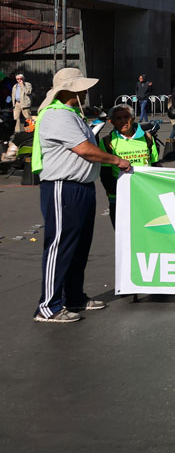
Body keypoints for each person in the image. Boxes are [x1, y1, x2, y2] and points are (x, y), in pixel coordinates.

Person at [32, 67, 132, 323]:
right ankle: (48, 306)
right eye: (81, 88)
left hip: (81, 186)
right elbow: (84, 149)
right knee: (61, 245)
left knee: (78, 247)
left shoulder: (71, 114)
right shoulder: (57, 115)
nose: (85, 92)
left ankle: (74, 297)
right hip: (63, 186)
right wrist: (116, 160)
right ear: (68, 90)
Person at [98, 103, 160, 227]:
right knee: (124, 235)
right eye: (118, 118)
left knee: (148, 233)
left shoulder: (147, 138)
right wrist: (121, 191)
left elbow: (155, 166)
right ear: (112, 122)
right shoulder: (107, 142)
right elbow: (105, 175)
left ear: (132, 118)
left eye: (126, 117)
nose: (123, 121)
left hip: (145, 196)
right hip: (119, 199)